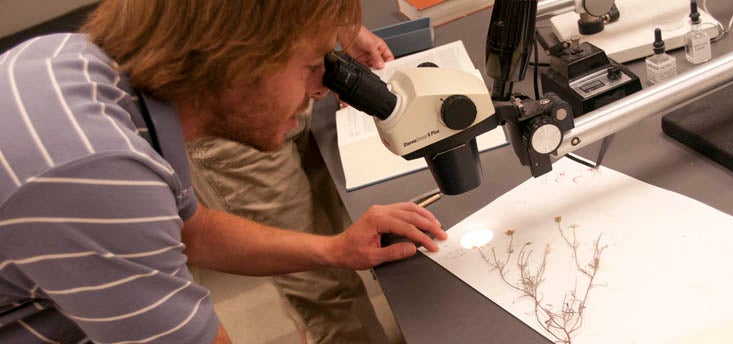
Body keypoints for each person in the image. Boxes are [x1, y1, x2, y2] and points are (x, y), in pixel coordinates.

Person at [0, 1, 445, 343]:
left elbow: (191, 232)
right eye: (311, 67)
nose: (320, 89)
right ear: (236, 59)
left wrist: (335, 250)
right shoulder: (97, 174)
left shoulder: (85, 68)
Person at [185, 25, 395, 343]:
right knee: (322, 286)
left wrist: (339, 28)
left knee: (330, 249)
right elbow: (199, 241)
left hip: (275, 78)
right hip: (236, 109)